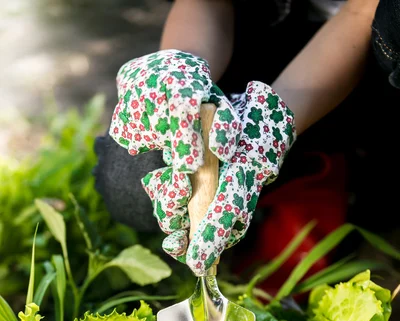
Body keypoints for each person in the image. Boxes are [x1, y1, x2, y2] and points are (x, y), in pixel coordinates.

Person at [94, 0, 397, 279]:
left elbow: (359, 12)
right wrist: (182, 74)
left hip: (361, 64)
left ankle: (345, 169)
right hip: (254, 33)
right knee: (131, 182)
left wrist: (272, 124)